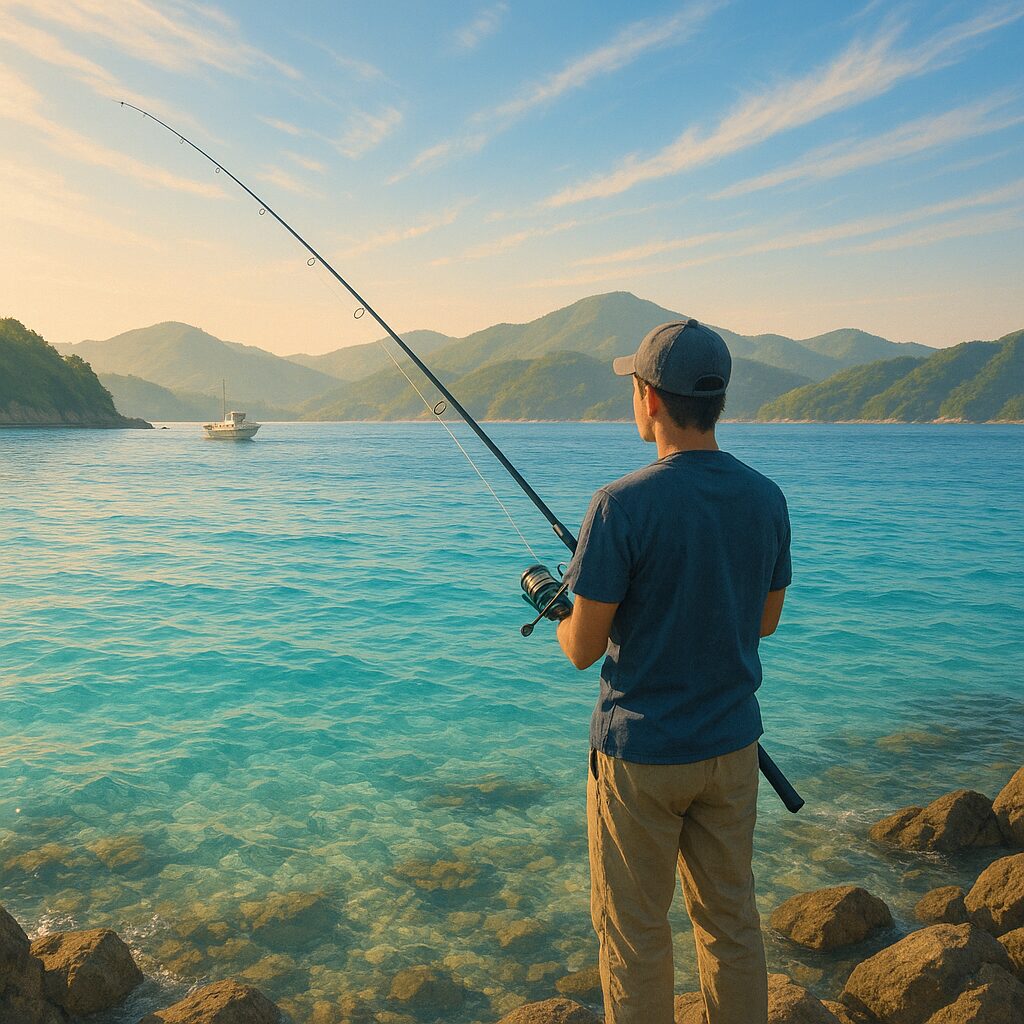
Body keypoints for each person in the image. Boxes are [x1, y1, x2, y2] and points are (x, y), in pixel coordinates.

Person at [534, 320, 791, 1024]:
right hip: (732, 751)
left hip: (640, 758)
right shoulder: (766, 498)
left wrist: (555, 608)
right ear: (716, 400)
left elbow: (582, 648)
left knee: (636, 934)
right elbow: (762, 622)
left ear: (648, 397)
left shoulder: (620, 504)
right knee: (731, 923)